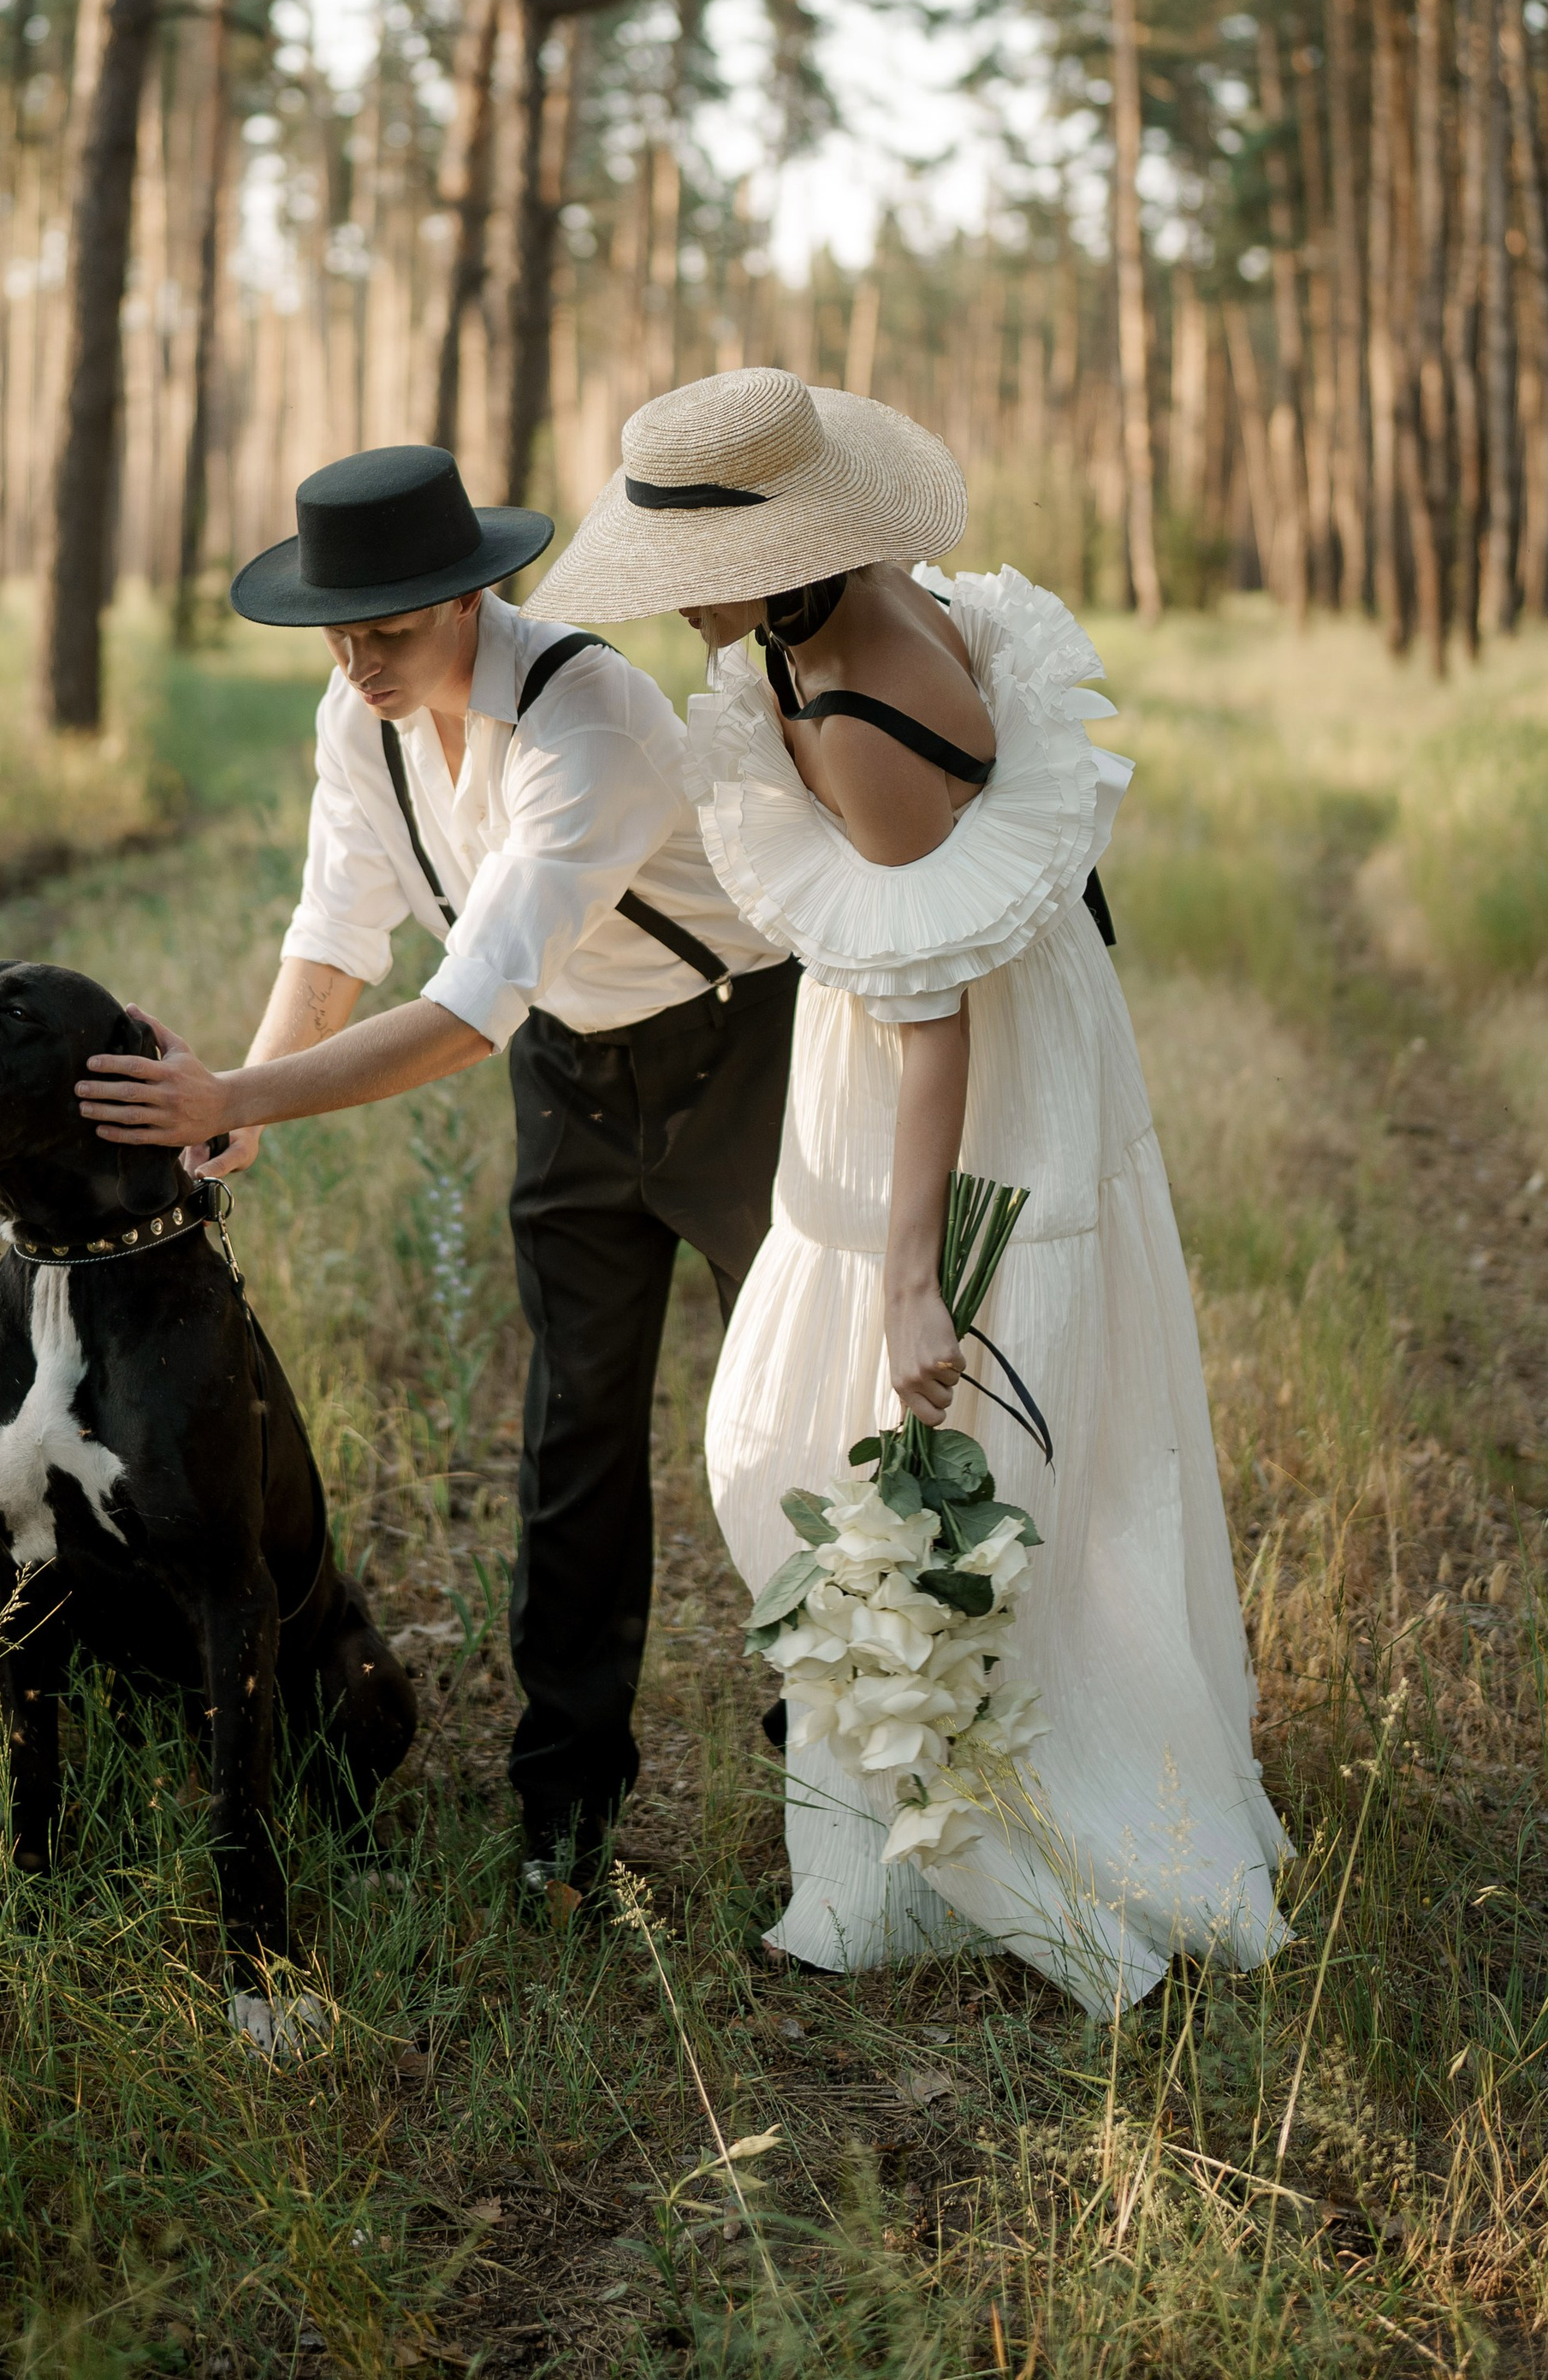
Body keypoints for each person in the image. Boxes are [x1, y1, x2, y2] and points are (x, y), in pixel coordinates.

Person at [531, 366, 1290, 2008]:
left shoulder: (853, 711)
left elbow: (929, 1024)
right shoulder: (887, 593)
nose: (675, 609)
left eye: (689, 576)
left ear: (773, 556)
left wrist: (910, 1268)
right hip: (1001, 1017)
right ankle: (933, 1772)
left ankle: (996, 1809)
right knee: (917, 1432)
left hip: (958, 1069)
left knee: (862, 1427)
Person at [76, 442, 798, 1896]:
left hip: (744, 1054)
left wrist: (241, 1085)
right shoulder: (364, 718)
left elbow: (469, 1009)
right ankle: (564, 1814)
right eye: (339, 631)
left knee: (789, 1415)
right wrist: (243, 1111)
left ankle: (845, 1766)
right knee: (573, 1430)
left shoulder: (588, 718)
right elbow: (339, 926)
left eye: (391, 628)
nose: (360, 659)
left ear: (473, 596)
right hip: (574, 1079)